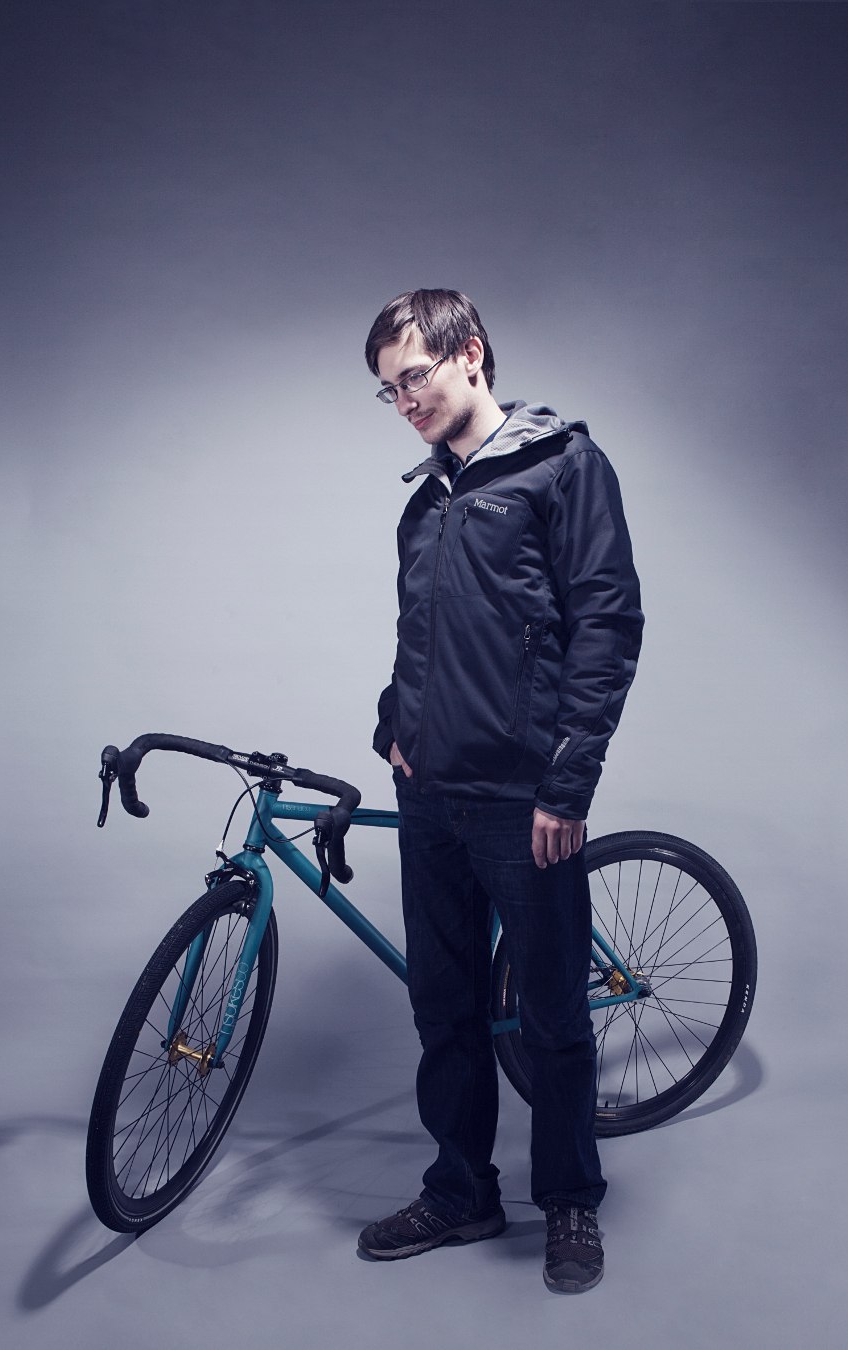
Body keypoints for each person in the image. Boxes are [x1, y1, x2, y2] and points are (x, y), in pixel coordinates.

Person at [358, 289, 643, 1294]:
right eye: (389, 391)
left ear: (470, 352)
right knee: (444, 1008)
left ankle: (567, 1199)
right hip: (430, 799)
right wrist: (394, 727)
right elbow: (421, 635)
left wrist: (568, 785)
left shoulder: (564, 467)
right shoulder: (423, 503)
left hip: (526, 801)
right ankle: (461, 1191)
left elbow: (607, 624)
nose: (405, 402)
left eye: (414, 377)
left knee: (552, 1015)